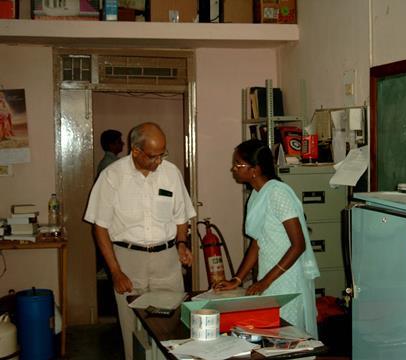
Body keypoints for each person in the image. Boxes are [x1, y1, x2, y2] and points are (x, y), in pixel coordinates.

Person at [84, 122, 196, 360]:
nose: (159, 161)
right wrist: (115, 272)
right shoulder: (112, 176)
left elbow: (181, 217)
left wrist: (182, 244)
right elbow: (100, 227)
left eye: (163, 154)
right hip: (128, 260)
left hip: (167, 260)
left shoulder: (171, 173)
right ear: (135, 151)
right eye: (154, 156)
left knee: (173, 328)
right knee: (133, 331)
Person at [214, 139, 320, 339]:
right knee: (271, 336)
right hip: (269, 277)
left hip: (286, 279)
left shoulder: (278, 194)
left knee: (288, 337)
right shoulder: (256, 194)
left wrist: (265, 282)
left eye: (238, 164)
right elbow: (257, 242)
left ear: (255, 169)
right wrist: (237, 279)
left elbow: (298, 246)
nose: (233, 168)